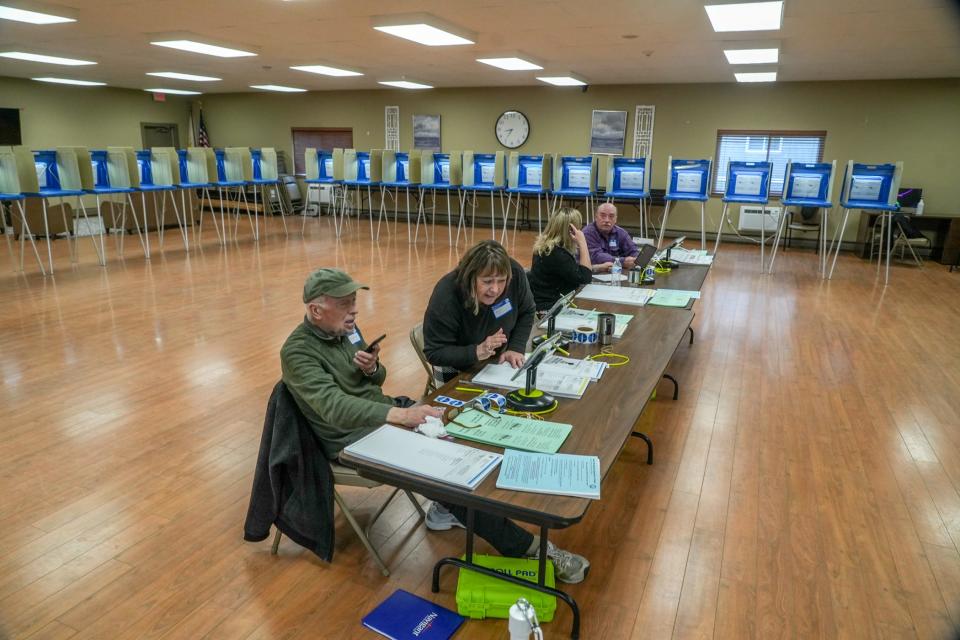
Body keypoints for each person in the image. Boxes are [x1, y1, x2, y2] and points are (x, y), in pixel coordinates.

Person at [283, 267, 589, 583]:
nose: (355, 310)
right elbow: (332, 406)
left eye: (354, 301)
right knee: (447, 479)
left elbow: (375, 379)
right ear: (316, 310)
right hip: (351, 437)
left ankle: (460, 506)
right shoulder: (297, 351)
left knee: (470, 431)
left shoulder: (346, 329)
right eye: (346, 303)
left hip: (384, 412)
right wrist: (401, 416)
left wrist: (373, 368)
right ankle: (531, 548)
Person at [422, 239, 535, 387]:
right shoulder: (447, 294)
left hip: (497, 360)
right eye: (487, 281)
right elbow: (435, 352)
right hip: (454, 366)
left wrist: (516, 347)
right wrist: (477, 351)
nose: (495, 289)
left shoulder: (515, 273)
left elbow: (527, 310)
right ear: (470, 278)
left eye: (501, 281)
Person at [527, 207, 596, 311]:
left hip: (551, 304)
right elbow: (585, 279)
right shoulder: (556, 254)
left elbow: (574, 270)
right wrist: (583, 243)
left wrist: (597, 267)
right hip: (550, 309)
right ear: (571, 230)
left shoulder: (548, 247)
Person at [582, 202, 640, 272]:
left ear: (615, 219)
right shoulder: (588, 232)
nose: (607, 220)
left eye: (611, 216)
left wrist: (635, 260)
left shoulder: (621, 233)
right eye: (603, 216)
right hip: (593, 274)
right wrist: (622, 262)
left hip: (616, 274)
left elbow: (633, 250)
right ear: (596, 217)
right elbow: (596, 257)